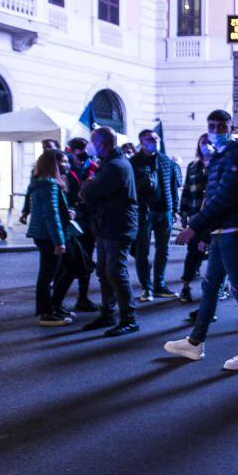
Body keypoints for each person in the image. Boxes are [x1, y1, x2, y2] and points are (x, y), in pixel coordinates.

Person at [165, 109, 238, 371]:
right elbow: (214, 197)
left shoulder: (237, 156)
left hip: (234, 230)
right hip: (223, 230)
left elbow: (225, 197)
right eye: (212, 126)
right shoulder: (222, 155)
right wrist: (205, 230)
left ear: (231, 127)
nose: (216, 130)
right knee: (211, 286)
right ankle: (195, 342)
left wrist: (195, 227)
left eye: (221, 126)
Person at [79, 126, 139, 337]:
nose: (90, 146)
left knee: (115, 271)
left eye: (93, 142)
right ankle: (108, 313)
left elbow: (90, 193)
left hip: (117, 226)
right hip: (107, 225)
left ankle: (128, 318)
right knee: (104, 271)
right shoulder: (110, 164)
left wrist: (87, 185)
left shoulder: (115, 166)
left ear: (103, 144)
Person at [27, 150, 81, 325]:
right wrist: (59, 242)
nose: (67, 164)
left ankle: (54, 306)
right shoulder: (48, 184)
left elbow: (55, 211)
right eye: (63, 162)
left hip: (46, 234)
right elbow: (51, 215)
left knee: (66, 269)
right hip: (49, 236)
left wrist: (68, 213)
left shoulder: (42, 182)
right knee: (48, 275)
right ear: (54, 165)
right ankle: (46, 313)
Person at [130, 129, 181, 303]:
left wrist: (175, 208)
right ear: (141, 142)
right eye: (150, 139)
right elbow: (130, 189)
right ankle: (146, 287)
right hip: (144, 211)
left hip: (164, 210)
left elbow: (173, 185)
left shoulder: (165, 160)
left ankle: (159, 284)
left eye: (156, 138)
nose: (155, 141)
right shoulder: (134, 162)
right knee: (142, 251)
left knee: (163, 250)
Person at [65, 137, 99, 313]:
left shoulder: (94, 168)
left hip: (88, 219)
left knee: (86, 259)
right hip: (70, 220)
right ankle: (56, 301)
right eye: (79, 149)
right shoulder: (65, 168)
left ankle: (83, 297)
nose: (83, 153)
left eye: (85, 149)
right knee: (67, 260)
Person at [178, 134, 212, 304]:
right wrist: (183, 214)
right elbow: (186, 192)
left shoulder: (219, 165)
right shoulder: (193, 166)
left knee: (215, 255)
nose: (206, 145)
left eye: (209, 142)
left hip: (214, 219)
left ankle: (218, 288)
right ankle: (186, 286)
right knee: (193, 253)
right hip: (196, 217)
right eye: (203, 143)